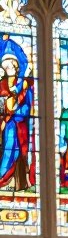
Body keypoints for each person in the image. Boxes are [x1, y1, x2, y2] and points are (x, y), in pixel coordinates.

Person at [0, 47, 35, 192]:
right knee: (9, 148)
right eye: (7, 67)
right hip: (7, 124)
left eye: (12, 66)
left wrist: (18, 111)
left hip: (20, 124)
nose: (10, 69)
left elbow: (28, 106)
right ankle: (3, 178)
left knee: (19, 152)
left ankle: (15, 182)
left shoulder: (24, 85)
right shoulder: (2, 85)